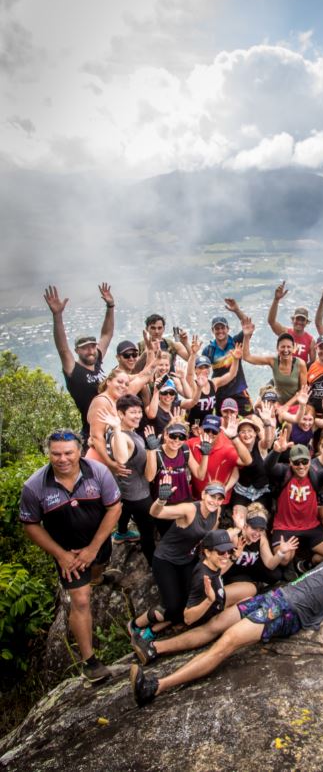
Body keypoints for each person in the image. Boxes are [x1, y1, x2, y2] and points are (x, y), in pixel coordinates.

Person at [129, 528, 323, 706]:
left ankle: (155, 687)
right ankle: (156, 649)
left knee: (225, 643)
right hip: (275, 597)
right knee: (214, 624)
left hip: (285, 612)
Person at [19, 428, 121, 681]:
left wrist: (93, 549)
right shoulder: (34, 487)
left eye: (68, 453)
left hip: (97, 543)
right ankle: (90, 662)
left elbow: (114, 508)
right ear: (48, 454)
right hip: (67, 553)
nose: (62, 459)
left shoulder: (98, 472)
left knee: (99, 566)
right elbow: (30, 524)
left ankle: (97, 576)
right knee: (81, 600)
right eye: (56, 454)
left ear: (79, 451)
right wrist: (61, 555)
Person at [128, 481, 225, 640]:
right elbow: (156, 513)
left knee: (190, 603)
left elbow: (210, 534)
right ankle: (136, 624)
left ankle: (155, 629)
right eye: (212, 496)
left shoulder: (217, 510)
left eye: (219, 498)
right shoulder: (189, 509)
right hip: (166, 559)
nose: (215, 501)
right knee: (172, 606)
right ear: (203, 495)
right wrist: (160, 500)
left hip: (188, 559)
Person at [265, 430, 323, 568]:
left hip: (311, 525)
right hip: (285, 526)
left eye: (304, 461)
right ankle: (292, 563)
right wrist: (276, 452)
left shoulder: (315, 474)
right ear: (290, 462)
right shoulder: (284, 472)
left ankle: (311, 562)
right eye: (297, 462)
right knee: (284, 559)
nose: (301, 466)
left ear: (309, 460)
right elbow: (267, 468)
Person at [43, 283, 115, 443]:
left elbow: (107, 334)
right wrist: (57, 315)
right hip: (92, 431)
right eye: (85, 348)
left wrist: (110, 306)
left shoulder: (97, 361)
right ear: (77, 351)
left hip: (111, 425)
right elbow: (62, 348)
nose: (90, 351)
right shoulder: (73, 370)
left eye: (92, 346)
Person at [99, 395, 156, 562]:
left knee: (124, 510)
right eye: (133, 412)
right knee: (147, 532)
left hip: (123, 490)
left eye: (139, 412)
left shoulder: (117, 432)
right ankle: (153, 563)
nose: (138, 415)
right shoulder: (121, 436)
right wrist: (117, 428)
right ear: (121, 414)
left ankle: (121, 533)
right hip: (139, 495)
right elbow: (122, 458)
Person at [187, 414, 252, 508]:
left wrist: (234, 437)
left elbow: (247, 461)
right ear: (200, 429)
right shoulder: (192, 443)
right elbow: (175, 444)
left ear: (220, 432)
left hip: (219, 500)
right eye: (207, 430)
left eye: (214, 431)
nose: (210, 434)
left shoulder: (227, 447)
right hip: (197, 499)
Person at [202, 300, 252, 415]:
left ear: (227, 329)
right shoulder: (209, 350)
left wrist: (237, 310)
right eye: (217, 328)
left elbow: (247, 325)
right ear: (212, 331)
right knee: (222, 422)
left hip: (239, 389)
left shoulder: (236, 342)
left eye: (222, 328)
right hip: (220, 392)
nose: (220, 331)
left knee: (250, 417)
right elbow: (202, 371)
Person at [242, 318, 308, 405]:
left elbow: (302, 391)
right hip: (278, 402)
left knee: (282, 414)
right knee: (258, 406)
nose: (285, 350)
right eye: (282, 347)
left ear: (294, 348)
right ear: (277, 348)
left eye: (289, 347)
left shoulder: (300, 364)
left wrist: (285, 407)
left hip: (294, 403)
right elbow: (247, 357)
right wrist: (246, 336)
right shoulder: (273, 361)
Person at [267, 280, 315, 364]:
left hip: (300, 375)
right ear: (293, 320)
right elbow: (271, 321)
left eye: (302, 320)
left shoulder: (310, 340)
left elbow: (313, 362)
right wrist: (276, 300)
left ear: (306, 322)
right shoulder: (285, 332)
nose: (299, 322)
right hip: (282, 374)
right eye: (297, 319)